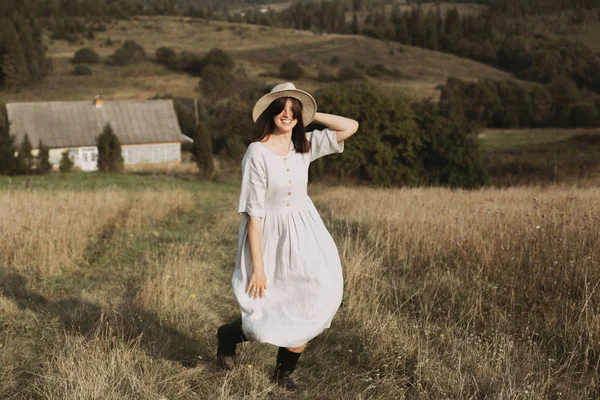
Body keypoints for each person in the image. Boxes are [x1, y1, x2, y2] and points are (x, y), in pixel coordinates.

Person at [216, 82, 359, 391]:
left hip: (306, 232)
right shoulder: (256, 153)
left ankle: (282, 374)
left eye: (293, 111)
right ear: (270, 112)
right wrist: (259, 267)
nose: (287, 115)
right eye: (281, 109)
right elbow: (254, 214)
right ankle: (229, 335)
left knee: (312, 295)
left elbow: (351, 126)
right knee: (266, 307)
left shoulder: (303, 144)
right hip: (268, 234)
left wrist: (312, 114)